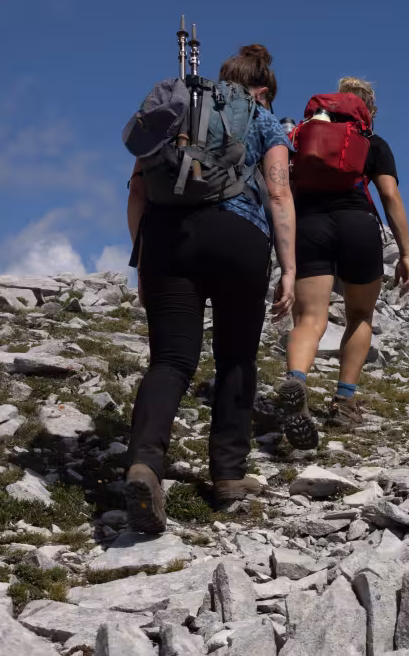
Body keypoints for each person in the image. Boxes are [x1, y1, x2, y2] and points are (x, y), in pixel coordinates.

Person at [124, 44, 297, 533]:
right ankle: (228, 475)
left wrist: (142, 259)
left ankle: (144, 463)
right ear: (262, 88)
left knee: (171, 360)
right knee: (236, 358)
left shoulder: (175, 104)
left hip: (165, 236)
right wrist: (288, 266)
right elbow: (280, 192)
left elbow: (138, 188)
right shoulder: (263, 120)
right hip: (238, 237)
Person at [274, 76, 409, 448]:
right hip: (357, 225)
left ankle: (297, 380)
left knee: (309, 319)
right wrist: (405, 252)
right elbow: (389, 195)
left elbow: (280, 190)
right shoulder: (371, 143)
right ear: (367, 111)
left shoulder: (301, 140)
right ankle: (344, 400)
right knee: (359, 316)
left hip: (309, 225)